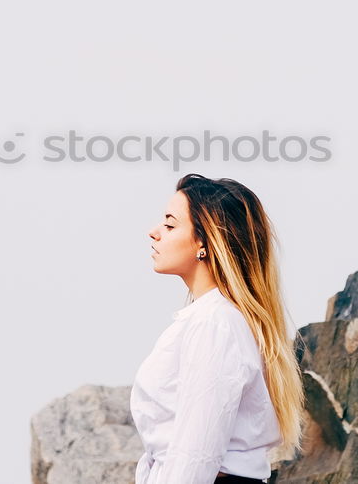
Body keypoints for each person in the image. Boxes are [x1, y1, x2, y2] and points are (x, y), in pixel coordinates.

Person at [130, 174, 306, 484]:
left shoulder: (215, 323)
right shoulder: (213, 319)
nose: (154, 232)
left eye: (170, 225)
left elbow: (195, 453)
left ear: (205, 243)